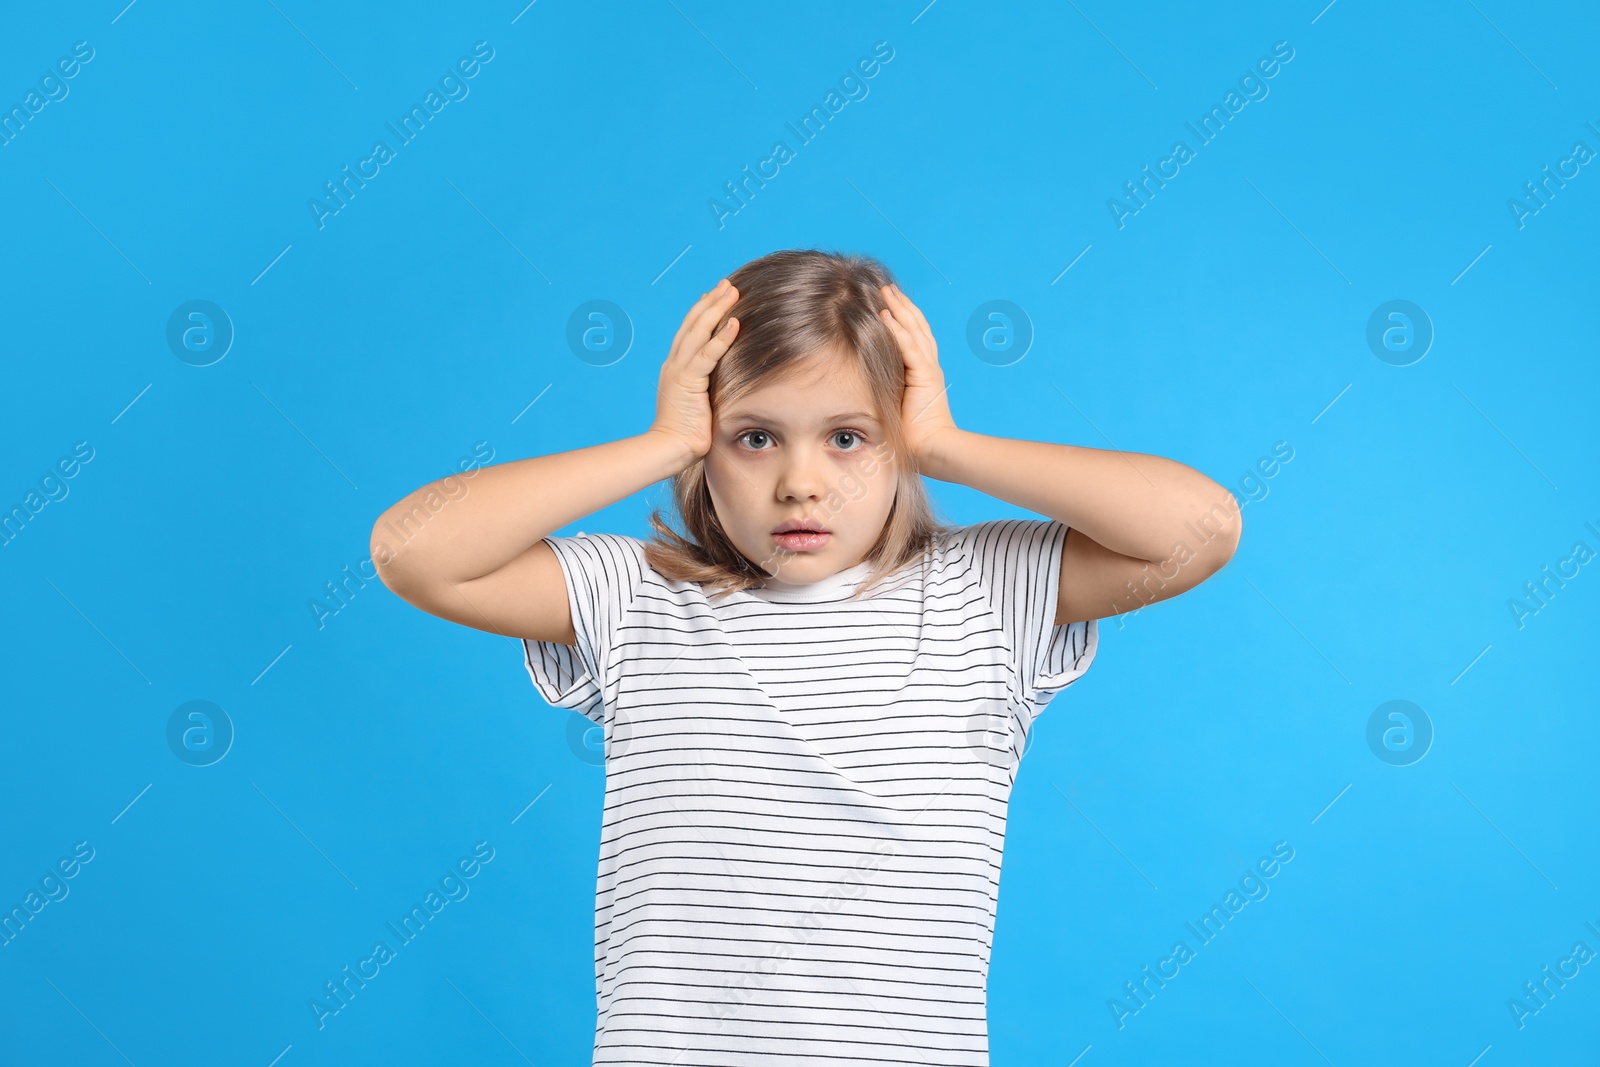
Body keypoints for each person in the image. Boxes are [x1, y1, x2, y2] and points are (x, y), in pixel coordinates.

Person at [370, 248, 1241, 1065]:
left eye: (848, 438)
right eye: (754, 437)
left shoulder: (986, 588)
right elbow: (415, 549)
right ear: (707, 441)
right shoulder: (636, 597)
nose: (802, 482)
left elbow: (1201, 529)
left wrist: (946, 445)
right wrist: (660, 442)